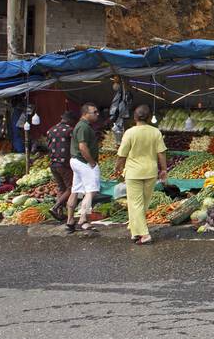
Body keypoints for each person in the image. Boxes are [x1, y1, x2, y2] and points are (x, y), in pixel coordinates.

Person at [114, 104, 168, 245]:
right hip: (150, 172)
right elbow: (161, 153)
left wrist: (117, 168)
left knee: (136, 204)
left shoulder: (130, 133)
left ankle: (144, 234)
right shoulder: (155, 132)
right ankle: (135, 231)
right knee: (143, 203)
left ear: (134, 117)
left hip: (133, 173)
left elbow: (122, 154)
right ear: (149, 117)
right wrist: (164, 169)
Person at [65, 102, 102, 235]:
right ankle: (82, 220)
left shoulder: (82, 126)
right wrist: (91, 162)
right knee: (91, 191)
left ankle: (70, 222)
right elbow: (82, 147)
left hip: (77, 162)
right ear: (85, 114)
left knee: (76, 190)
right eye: (95, 112)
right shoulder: (83, 127)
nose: (97, 114)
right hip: (83, 162)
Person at [44, 109, 78, 222]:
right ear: (70, 120)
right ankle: (55, 207)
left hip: (53, 163)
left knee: (61, 187)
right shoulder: (70, 131)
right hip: (64, 164)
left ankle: (59, 213)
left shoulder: (50, 130)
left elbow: (47, 146)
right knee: (72, 187)